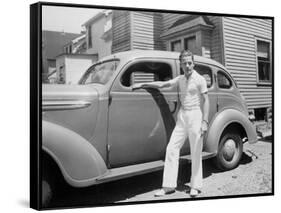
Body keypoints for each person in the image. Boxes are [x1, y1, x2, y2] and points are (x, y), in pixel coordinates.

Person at [132, 50, 209, 197]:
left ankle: (195, 186)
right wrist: (142, 84)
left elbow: (206, 101)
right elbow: (162, 85)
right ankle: (168, 186)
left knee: (196, 151)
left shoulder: (200, 79)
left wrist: (204, 121)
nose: (187, 66)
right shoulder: (180, 79)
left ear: (194, 63)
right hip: (183, 116)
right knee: (172, 148)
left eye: (190, 63)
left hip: (195, 116)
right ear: (181, 64)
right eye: (184, 63)